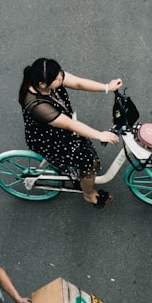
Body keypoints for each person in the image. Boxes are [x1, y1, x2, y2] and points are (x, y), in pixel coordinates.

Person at [18, 57, 123, 207]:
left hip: (61, 130)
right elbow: (69, 125)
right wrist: (100, 135)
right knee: (88, 161)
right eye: (57, 78)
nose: (61, 77)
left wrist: (107, 87)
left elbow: (78, 83)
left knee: (83, 145)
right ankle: (88, 194)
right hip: (50, 140)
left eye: (60, 73)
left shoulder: (49, 78)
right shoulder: (37, 105)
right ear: (42, 84)